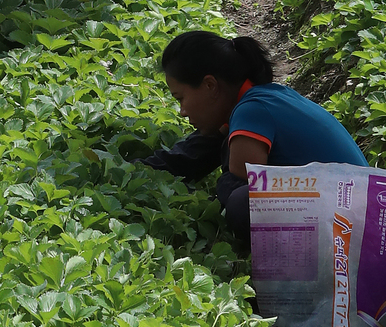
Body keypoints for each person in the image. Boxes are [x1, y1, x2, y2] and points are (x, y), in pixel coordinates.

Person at [155, 30, 365, 247]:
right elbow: (200, 149)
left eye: (181, 98)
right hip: (357, 214)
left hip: (353, 227)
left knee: (241, 202)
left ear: (210, 85)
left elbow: (242, 181)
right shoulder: (268, 96)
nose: (182, 111)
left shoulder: (251, 111)